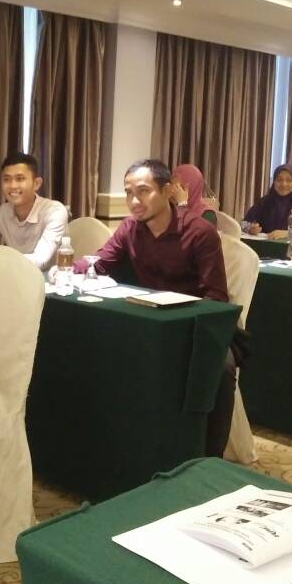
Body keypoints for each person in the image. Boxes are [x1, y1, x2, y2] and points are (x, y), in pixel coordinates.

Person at [76, 158, 234, 457]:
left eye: (143, 191)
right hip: (149, 322)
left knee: (222, 367)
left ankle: (210, 458)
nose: (134, 201)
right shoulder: (130, 228)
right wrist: (68, 267)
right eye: (128, 193)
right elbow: (100, 262)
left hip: (196, 326)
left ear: (168, 190)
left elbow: (216, 297)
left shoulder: (200, 232)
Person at [0, 152, 67, 270]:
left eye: (20, 179)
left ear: (36, 183)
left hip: (49, 278)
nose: (13, 186)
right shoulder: (3, 212)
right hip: (14, 275)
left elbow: (40, 260)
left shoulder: (54, 211)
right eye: (7, 179)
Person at [242, 163, 292, 238]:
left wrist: (288, 233)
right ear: (274, 181)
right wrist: (250, 229)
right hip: (265, 244)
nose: (283, 184)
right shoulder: (265, 202)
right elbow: (244, 223)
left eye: (289, 180)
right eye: (279, 180)